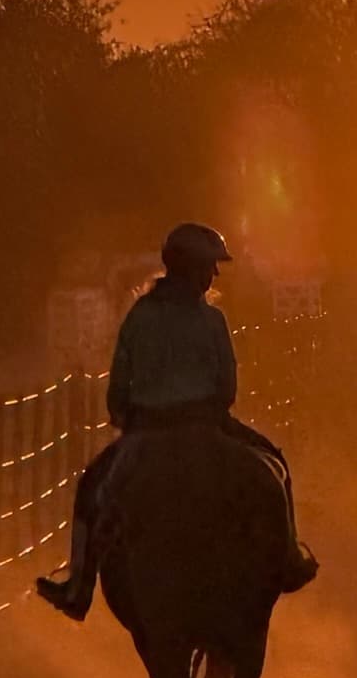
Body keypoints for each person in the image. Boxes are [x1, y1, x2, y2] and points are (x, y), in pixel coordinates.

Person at [34, 223, 318, 620]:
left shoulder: (139, 317)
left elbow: (118, 385)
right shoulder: (212, 321)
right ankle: (289, 557)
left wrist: (126, 417)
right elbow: (227, 387)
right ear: (187, 267)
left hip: (145, 431)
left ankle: (78, 587)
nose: (214, 275)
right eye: (208, 266)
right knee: (275, 466)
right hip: (208, 424)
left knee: (90, 490)